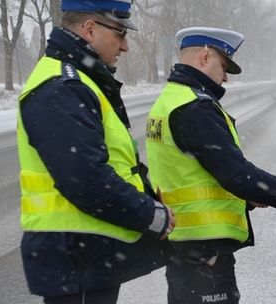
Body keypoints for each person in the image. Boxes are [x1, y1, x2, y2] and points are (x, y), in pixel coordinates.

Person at [145, 26, 276, 304]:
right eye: (224, 65)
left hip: (186, 245)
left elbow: (192, 172)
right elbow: (236, 174)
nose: (225, 77)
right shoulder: (195, 107)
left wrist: (249, 198)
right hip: (204, 252)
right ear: (205, 57)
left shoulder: (170, 99)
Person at [17, 1, 175, 303]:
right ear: (90, 29)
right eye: (119, 33)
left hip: (83, 255)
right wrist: (151, 215)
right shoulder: (63, 85)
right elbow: (86, 179)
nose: (126, 46)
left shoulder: (79, 79)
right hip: (75, 255)